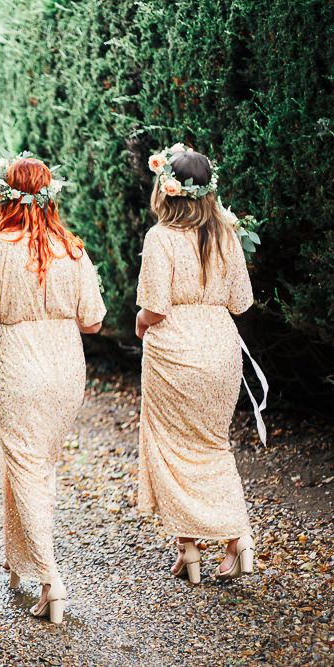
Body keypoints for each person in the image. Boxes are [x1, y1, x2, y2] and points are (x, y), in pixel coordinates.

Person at [0, 154, 106, 624]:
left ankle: (51, 579)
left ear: (4, 194)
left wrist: (17, 330)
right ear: (51, 194)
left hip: (20, 367)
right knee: (37, 464)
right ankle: (19, 560)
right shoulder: (74, 248)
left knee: (24, 465)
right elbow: (94, 320)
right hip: (67, 368)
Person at [136, 144, 256, 584]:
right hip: (221, 349)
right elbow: (241, 302)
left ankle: (191, 550)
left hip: (174, 353)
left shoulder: (161, 238)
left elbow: (154, 307)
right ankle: (236, 541)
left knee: (172, 448)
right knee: (212, 444)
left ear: (166, 189)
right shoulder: (227, 233)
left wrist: (138, 323)